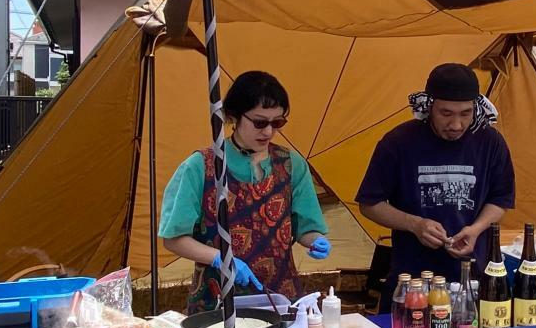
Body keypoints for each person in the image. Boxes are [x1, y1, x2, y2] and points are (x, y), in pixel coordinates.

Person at [159, 70, 330, 311]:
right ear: (233, 116)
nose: (268, 132)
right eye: (260, 122)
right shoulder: (201, 167)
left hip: (280, 298)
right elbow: (174, 239)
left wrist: (316, 240)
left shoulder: (292, 164)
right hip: (217, 301)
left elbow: (306, 227)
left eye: (277, 123)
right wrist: (219, 258)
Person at [356, 63, 515, 285]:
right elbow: (369, 203)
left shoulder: (491, 142)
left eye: (466, 113)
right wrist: (415, 224)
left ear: (476, 108)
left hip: (474, 275)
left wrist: (476, 229)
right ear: (430, 106)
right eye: (446, 113)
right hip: (412, 280)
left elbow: (500, 199)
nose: (456, 124)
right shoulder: (398, 142)